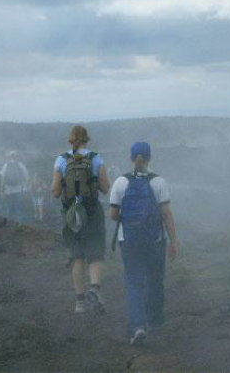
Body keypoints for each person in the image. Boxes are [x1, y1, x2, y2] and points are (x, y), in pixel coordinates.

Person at [110, 142, 179, 346]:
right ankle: (156, 321)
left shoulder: (121, 182)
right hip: (155, 240)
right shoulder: (158, 182)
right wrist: (174, 241)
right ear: (149, 158)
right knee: (155, 280)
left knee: (134, 283)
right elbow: (166, 214)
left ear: (132, 158)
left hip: (129, 240)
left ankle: (138, 326)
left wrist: (131, 218)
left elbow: (114, 214)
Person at [52, 126, 110, 315]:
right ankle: (95, 288)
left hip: (71, 214)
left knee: (77, 256)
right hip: (92, 213)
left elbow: (55, 192)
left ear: (71, 140)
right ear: (87, 139)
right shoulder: (96, 158)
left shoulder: (61, 160)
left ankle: (80, 302)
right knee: (95, 254)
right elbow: (105, 187)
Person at [0, 151, 30, 223]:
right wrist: (26, 188)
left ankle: (10, 224)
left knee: (9, 208)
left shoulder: (6, 165)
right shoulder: (21, 165)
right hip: (19, 190)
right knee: (19, 208)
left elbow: (2, 179)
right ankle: (20, 224)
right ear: (17, 156)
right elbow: (27, 177)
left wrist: (2, 191)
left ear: (10, 157)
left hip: (8, 191)